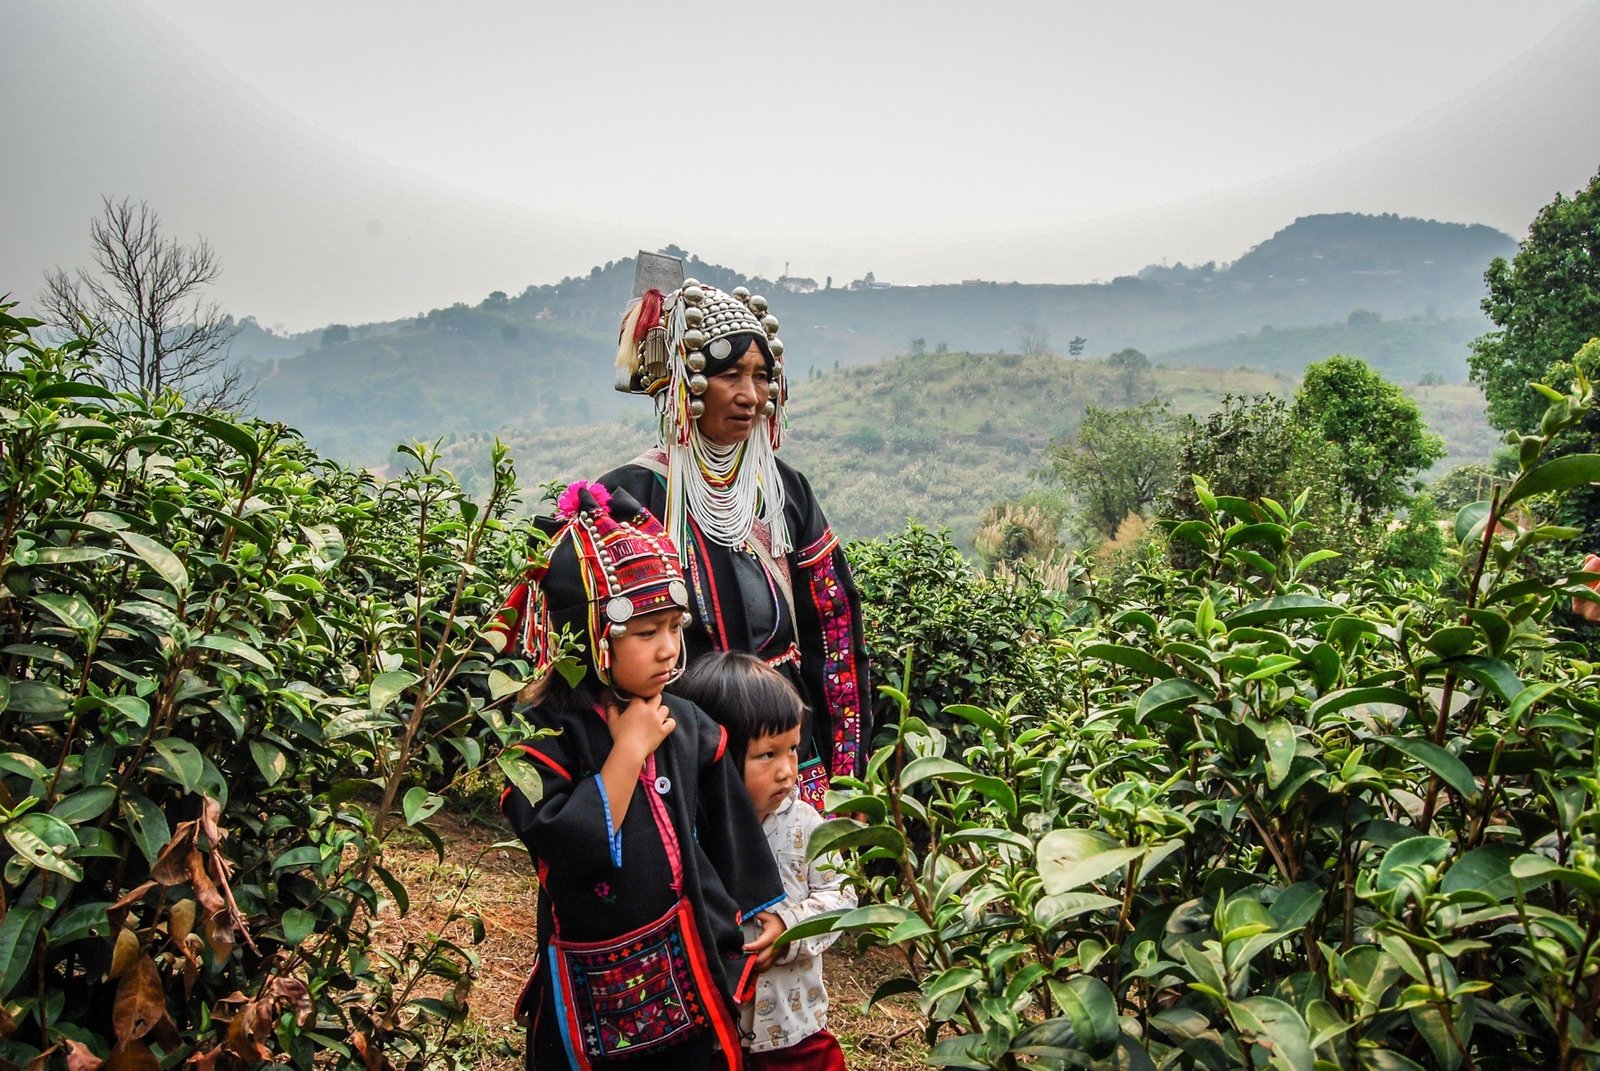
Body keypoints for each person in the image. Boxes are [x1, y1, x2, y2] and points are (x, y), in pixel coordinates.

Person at [495, 481, 783, 1071]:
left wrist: (764, 907)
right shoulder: (545, 735)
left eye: (675, 629)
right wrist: (627, 750)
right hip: (590, 970)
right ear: (588, 634)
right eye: (646, 634)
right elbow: (569, 847)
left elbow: (729, 824)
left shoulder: (688, 720)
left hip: (690, 965)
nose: (668, 651)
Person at [603, 276, 871, 812]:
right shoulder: (632, 496)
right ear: (687, 383)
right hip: (684, 758)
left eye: (761, 377)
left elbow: (834, 629)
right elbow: (603, 645)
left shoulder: (784, 490)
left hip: (788, 755)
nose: (751, 395)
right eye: (729, 375)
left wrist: (848, 775)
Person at [672, 652, 855, 1071]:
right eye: (767, 755)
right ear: (716, 757)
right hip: (714, 1033)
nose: (787, 771)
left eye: (792, 749)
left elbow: (842, 895)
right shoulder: (692, 829)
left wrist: (793, 927)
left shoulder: (805, 822)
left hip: (795, 1031)